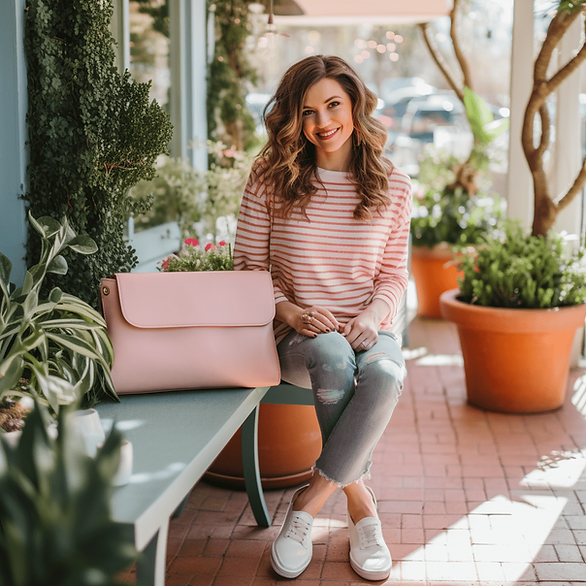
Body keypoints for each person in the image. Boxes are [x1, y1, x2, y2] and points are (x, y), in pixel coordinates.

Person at [233, 55, 412, 581]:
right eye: (307, 111)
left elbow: (393, 277)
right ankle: (362, 506)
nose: (322, 122)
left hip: (367, 328)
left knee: (385, 373)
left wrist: (375, 315)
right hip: (294, 336)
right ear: (293, 117)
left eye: (333, 104)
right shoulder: (271, 178)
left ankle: (307, 505)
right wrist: (288, 309)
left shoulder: (394, 184)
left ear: (355, 104)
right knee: (332, 356)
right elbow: (247, 267)